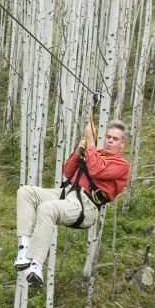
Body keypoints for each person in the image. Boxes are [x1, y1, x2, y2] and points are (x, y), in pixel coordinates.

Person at [14, 120, 130, 285]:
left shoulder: (121, 165)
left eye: (115, 139)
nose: (110, 141)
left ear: (122, 143)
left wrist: (90, 143)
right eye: (108, 137)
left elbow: (97, 169)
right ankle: (24, 249)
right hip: (67, 194)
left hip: (86, 206)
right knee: (26, 192)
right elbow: (68, 172)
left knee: (46, 208)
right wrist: (77, 152)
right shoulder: (94, 154)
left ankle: (36, 265)